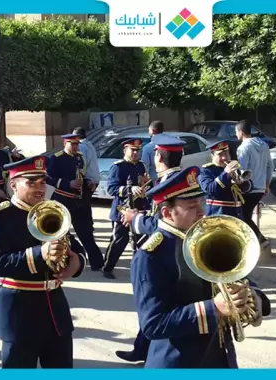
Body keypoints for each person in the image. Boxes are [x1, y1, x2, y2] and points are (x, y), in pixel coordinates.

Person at [132, 166, 271, 368]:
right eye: (191, 207)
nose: (202, 212)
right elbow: (153, 324)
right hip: (179, 363)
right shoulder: (151, 255)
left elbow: (234, 275)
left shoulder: (202, 237)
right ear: (167, 212)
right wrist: (213, 308)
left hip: (219, 357)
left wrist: (253, 297)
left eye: (200, 203)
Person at [0, 155, 87, 368]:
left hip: (55, 311)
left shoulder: (52, 210)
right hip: (19, 312)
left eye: (42, 182)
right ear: (13, 185)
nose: (40, 188)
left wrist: (76, 263)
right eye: (31, 182)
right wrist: (40, 254)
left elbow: (75, 248)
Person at [114, 134, 185, 363]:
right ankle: (141, 348)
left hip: (166, 251)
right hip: (169, 247)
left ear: (157, 155)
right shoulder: (175, 179)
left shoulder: (170, 183)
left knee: (157, 304)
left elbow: (163, 222)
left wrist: (135, 219)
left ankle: (149, 352)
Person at [46, 134, 104, 271]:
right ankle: (63, 260)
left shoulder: (79, 157)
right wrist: (67, 183)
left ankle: (97, 263)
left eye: (77, 144)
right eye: (72, 144)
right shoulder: (56, 158)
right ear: (65, 143)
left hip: (80, 200)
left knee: (86, 232)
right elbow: (48, 178)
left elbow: (81, 174)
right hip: (62, 199)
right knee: (61, 232)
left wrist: (87, 183)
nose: (76, 147)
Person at [102, 138, 150, 280]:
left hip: (139, 209)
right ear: (125, 150)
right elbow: (111, 188)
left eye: (137, 150)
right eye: (132, 150)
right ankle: (107, 267)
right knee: (119, 241)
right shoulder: (118, 167)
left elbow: (144, 184)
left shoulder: (141, 166)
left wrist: (145, 186)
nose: (135, 153)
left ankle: (138, 268)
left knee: (140, 241)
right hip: (122, 210)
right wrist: (129, 189)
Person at [235, 120, 272, 247]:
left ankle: (260, 241)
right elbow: (269, 166)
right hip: (260, 188)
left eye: (236, 132)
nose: (236, 135)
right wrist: (267, 185)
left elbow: (241, 170)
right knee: (247, 215)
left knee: (243, 217)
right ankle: (249, 242)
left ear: (240, 132)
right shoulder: (264, 145)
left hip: (248, 189)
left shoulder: (243, 148)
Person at [198, 140, 253, 218]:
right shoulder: (206, 171)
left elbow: (249, 188)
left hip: (236, 214)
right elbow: (209, 189)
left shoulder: (234, 167)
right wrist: (226, 174)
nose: (224, 158)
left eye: (226, 153)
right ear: (212, 156)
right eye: (220, 155)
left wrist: (241, 183)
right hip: (217, 214)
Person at [73, 126, 99, 235]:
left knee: (82, 204)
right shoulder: (89, 145)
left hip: (88, 179)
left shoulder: (82, 147)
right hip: (93, 178)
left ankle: (86, 227)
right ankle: (89, 226)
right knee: (86, 203)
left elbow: (82, 164)